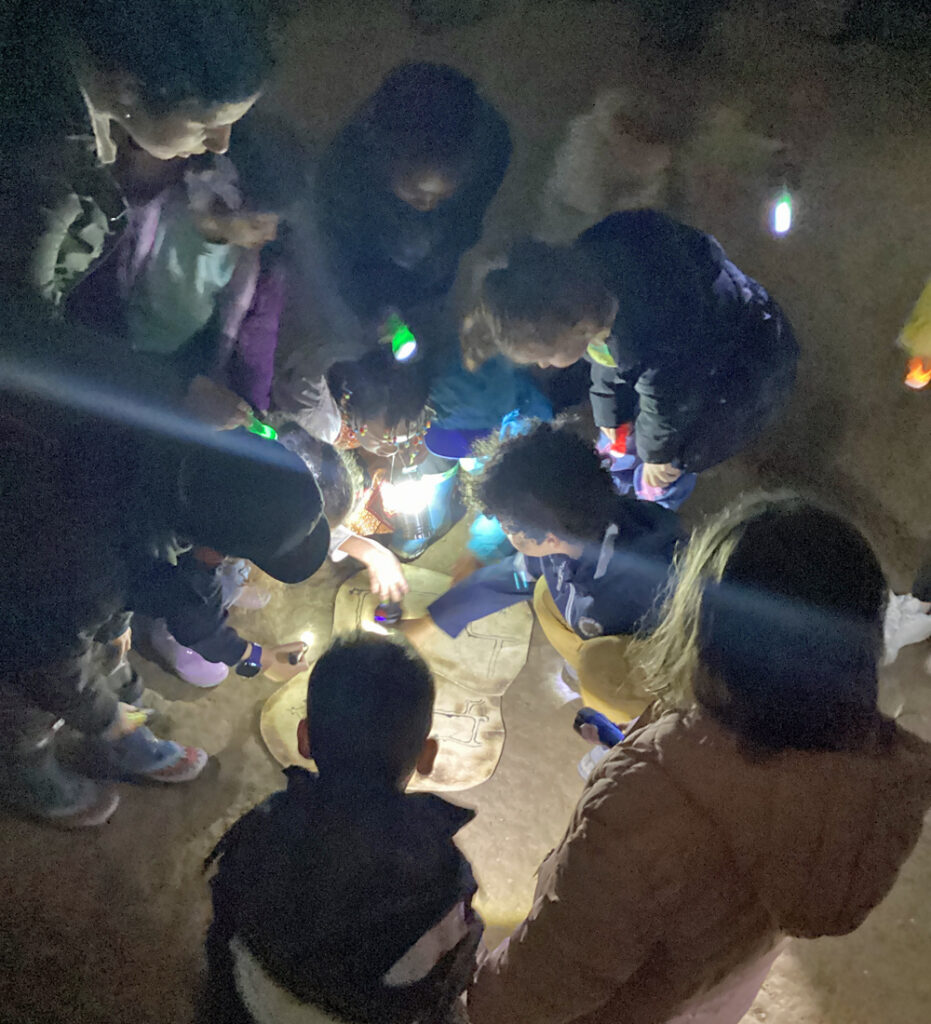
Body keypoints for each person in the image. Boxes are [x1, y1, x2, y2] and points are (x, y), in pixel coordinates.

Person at [468, 495, 931, 1024]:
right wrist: (647, 744)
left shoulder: (636, 807)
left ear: (704, 624)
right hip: (707, 990)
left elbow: (539, 989)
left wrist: (471, 1001)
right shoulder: (882, 768)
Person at [0, 320, 327, 827]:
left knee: (109, 643)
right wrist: (108, 723)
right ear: (213, 550)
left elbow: (145, 585)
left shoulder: (174, 428)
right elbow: (49, 658)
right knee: (28, 703)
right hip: (21, 593)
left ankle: (120, 716)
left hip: (60, 554)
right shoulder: (88, 562)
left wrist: (118, 628)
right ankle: (25, 771)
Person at [203, 633, 483, 1024]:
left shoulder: (264, 824)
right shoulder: (441, 871)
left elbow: (224, 922)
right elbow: (445, 970)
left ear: (304, 738)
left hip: (246, 1005)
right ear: (427, 757)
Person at [467, 210, 799, 508]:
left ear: (580, 327)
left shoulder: (658, 334)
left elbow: (670, 398)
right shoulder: (589, 283)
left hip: (741, 354)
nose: (543, 366)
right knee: (628, 423)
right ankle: (633, 467)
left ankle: (656, 502)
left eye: (546, 357)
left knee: (679, 451)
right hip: (691, 322)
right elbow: (608, 360)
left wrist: (659, 458)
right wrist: (608, 413)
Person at [0, 0, 270, 310]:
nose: (220, 146)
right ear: (128, 87)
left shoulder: (40, 43)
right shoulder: (45, 178)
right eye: (206, 125)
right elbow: (22, 332)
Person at [408, 422, 684, 719]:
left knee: (599, 670)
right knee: (544, 594)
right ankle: (588, 657)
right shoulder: (578, 522)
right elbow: (510, 577)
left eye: (507, 527)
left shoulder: (635, 584)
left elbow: (684, 652)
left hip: (666, 653)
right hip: (607, 616)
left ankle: (625, 724)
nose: (503, 530)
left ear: (548, 539)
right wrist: (427, 624)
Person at [313, 62, 511, 327]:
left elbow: (472, 212)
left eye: (443, 196)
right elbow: (343, 255)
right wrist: (373, 309)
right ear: (384, 164)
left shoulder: (490, 144)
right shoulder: (342, 177)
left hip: (435, 255)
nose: (428, 204)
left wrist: (453, 249)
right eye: (417, 194)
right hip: (375, 253)